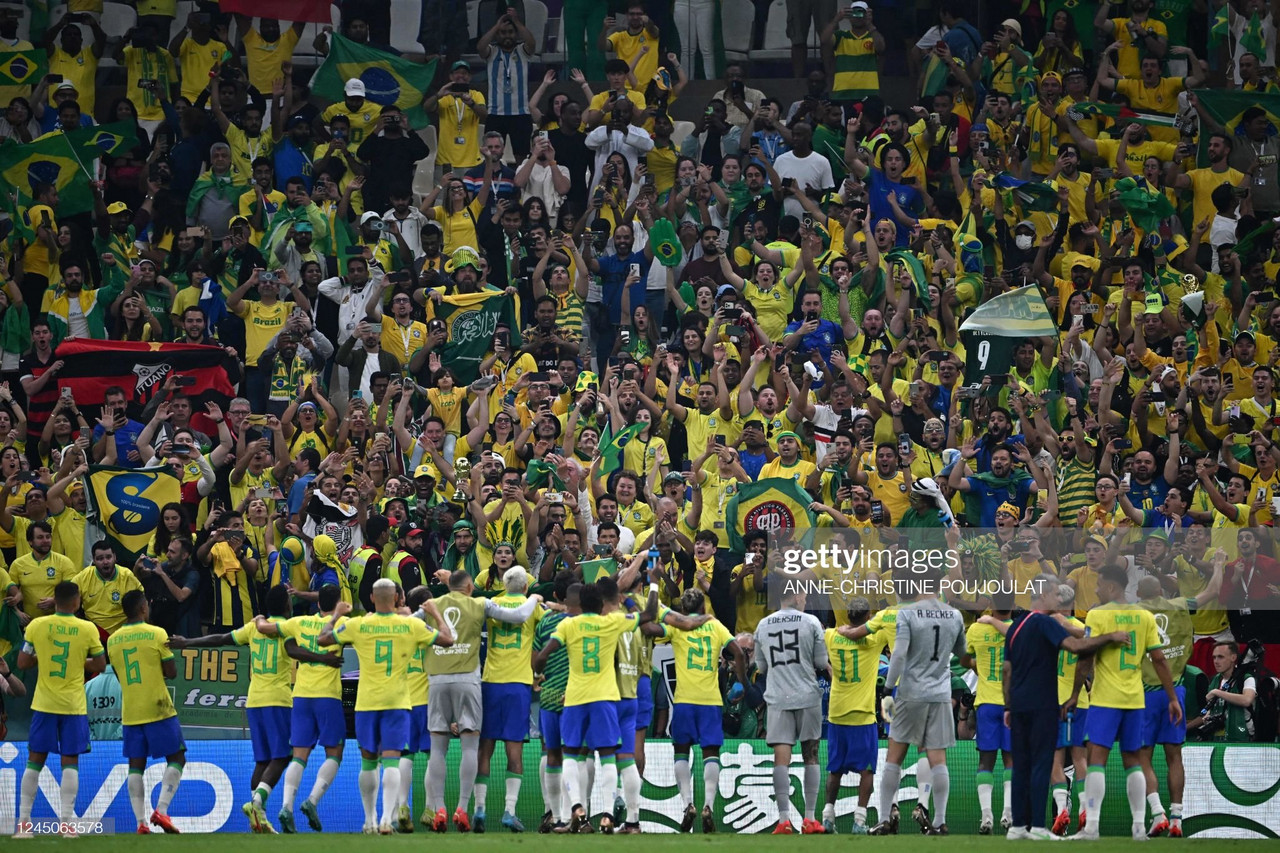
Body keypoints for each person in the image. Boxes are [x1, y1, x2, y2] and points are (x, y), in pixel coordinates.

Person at [997, 574, 1133, 840]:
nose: (1058, 599)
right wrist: (1109, 637)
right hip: (1043, 704)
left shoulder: (1015, 626)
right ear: (1044, 594)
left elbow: (1007, 670)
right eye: (1055, 594)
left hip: (1019, 705)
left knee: (1021, 764)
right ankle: (1037, 826)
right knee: (1041, 764)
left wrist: (1008, 707)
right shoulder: (1044, 623)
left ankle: (1017, 827)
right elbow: (1075, 646)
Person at [319, 578, 454, 834]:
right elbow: (447, 639)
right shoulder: (411, 625)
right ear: (396, 599)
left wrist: (336, 614)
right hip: (398, 702)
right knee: (393, 759)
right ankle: (386, 820)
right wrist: (435, 611)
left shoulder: (358, 625)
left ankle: (369, 820)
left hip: (367, 703)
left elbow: (323, 640)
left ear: (371, 597)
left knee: (369, 762)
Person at [422, 569, 543, 832]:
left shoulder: (492, 602)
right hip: (515, 683)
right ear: (525, 588)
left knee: (482, 750)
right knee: (514, 752)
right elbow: (535, 625)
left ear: (503, 584)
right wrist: (537, 599)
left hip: (487, 681)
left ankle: (475, 809)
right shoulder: (519, 605)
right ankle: (507, 811)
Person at [171, 585, 297, 834]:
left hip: (254, 701)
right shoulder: (286, 629)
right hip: (277, 700)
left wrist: (188, 642)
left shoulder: (254, 628)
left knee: (263, 760)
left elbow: (220, 639)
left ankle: (258, 820)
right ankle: (257, 805)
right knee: (283, 756)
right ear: (286, 606)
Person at [1071, 564, 1182, 840]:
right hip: (1134, 699)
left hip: (1106, 699)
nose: (1095, 589)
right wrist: (1172, 698)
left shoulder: (1097, 615)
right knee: (1133, 759)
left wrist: (1075, 694)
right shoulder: (1144, 616)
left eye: (1099, 584)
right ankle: (1139, 828)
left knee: (1097, 758)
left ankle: (1092, 827)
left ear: (1111, 587)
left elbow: (1085, 658)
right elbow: (1159, 659)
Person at [533, 580, 638, 833]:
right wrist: (645, 591)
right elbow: (648, 614)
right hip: (604, 697)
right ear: (602, 604)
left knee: (568, 753)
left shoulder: (568, 624)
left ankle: (577, 808)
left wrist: (538, 674)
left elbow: (543, 655)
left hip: (575, 697)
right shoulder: (611, 622)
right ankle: (607, 816)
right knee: (608, 756)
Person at [869, 571, 967, 835]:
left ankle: (884, 818)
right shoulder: (954, 615)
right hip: (939, 694)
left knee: (894, 757)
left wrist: (888, 689)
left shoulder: (908, 614)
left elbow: (898, 655)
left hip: (911, 692)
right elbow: (961, 654)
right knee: (938, 758)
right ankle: (940, 821)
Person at [646, 587, 747, 833]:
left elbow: (650, 630)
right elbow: (738, 652)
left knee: (681, 751)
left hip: (684, 701)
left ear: (683, 609)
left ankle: (687, 804)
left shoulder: (677, 626)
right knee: (710, 752)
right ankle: (708, 806)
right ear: (703, 608)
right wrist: (742, 683)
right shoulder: (715, 625)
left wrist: (650, 609)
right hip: (710, 700)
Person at [251, 583, 348, 833]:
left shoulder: (299, 622)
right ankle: (312, 801)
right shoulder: (343, 625)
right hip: (328, 696)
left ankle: (283, 806)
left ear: (317, 605)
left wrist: (259, 618)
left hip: (301, 697)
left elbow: (264, 627)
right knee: (334, 752)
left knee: (298, 756)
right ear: (337, 604)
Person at [15, 581, 107, 837]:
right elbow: (99, 664)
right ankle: (66, 824)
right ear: (77, 601)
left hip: (44, 704)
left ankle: (24, 825)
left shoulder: (36, 625)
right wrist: (78, 660)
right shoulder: (87, 628)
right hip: (73, 706)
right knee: (70, 763)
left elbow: (22, 662)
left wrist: (43, 657)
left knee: (35, 762)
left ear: (54, 599)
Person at [107, 590, 184, 834]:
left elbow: (120, 675)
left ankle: (140, 823)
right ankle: (161, 810)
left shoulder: (113, 640)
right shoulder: (157, 633)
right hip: (158, 707)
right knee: (177, 758)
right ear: (143, 608)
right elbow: (171, 672)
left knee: (135, 766)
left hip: (131, 710)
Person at [754, 587, 828, 834]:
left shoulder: (763, 625)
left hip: (778, 698)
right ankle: (809, 819)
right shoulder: (811, 622)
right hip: (807, 696)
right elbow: (820, 662)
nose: (805, 600)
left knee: (781, 760)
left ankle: (784, 820)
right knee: (811, 755)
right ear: (796, 596)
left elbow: (762, 667)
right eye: (804, 596)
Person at [823, 599, 888, 834]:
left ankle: (827, 817)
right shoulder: (874, 640)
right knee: (867, 770)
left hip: (837, 713)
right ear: (868, 616)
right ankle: (859, 821)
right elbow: (883, 627)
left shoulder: (831, 636)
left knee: (835, 769)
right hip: (862, 715)